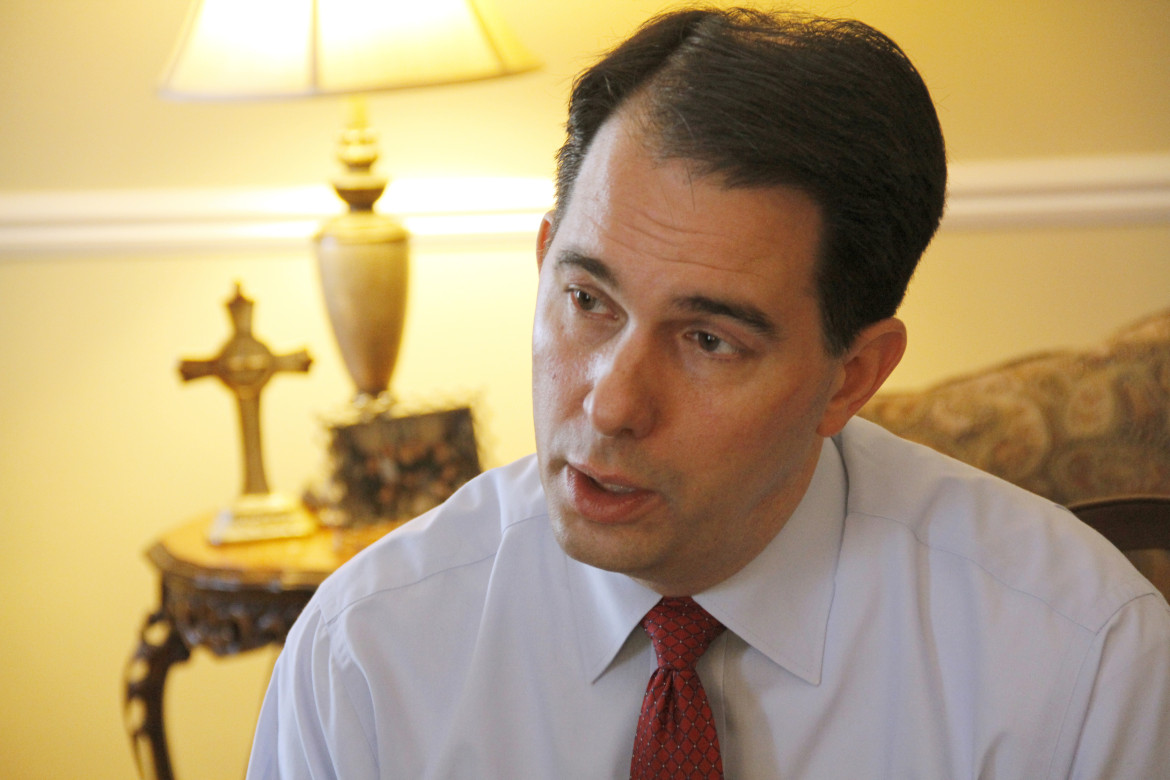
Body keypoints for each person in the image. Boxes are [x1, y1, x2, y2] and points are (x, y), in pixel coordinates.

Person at [247, 7, 1170, 778]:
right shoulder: (363, 656)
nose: (610, 407)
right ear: (542, 263)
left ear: (851, 377)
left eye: (708, 341)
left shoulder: (1081, 663)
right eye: (585, 300)